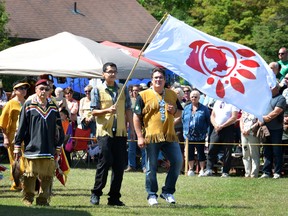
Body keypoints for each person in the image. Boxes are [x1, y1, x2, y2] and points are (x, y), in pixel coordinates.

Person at [133, 67, 183, 206]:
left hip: (169, 135)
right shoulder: (143, 95)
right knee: (151, 166)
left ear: (165, 80)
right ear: (151, 80)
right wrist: (139, 136)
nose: (158, 80)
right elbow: (136, 117)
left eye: (161, 77)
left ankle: (168, 191)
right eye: (156, 78)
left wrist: (174, 111)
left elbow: (179, 113)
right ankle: (151, 194)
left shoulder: (172, 94)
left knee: (178, 161)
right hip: (151, 136)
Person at [14, 79, 64, 206]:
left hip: (48, 147)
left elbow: (59, 127)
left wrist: (58, 145)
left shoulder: (53, 107)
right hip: (32, 146)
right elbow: (22, 126)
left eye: (46, 89)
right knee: (30, 175)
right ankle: (28, 198)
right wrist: (17, 145)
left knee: (47, 176)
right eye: (41, 89)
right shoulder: (29, 105)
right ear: (36, 90)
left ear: (49, 92)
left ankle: (43, 199)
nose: (43, 91)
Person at [90, 62, 134, 206]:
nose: (112, 74)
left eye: (114, 71)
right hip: (105, 131)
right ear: (103, 74)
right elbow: (93, 111)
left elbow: (128, 110)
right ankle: (96, 193)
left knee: (119, 165)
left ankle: (114, 197)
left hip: (120, 131)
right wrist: (107, 111)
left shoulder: (123, 88)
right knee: (105, 161)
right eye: (109, 72)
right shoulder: (97, 90)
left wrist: (131, 129)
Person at [0, 80, 30, 190]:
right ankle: (17, 183)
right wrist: (6, 138)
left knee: (26, 160)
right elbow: (3, 122)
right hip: (13, 136)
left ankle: (26, 183)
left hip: (27, 136)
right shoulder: (10, 104)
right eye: (21, 88)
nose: (24, 90)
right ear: (15, 90)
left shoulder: (28, 103)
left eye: (25, 88)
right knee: (16, 161)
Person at [202, 100, 239, 177]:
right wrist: (216, 125)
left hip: (228, 129)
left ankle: (225, 172)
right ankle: (209, 169)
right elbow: (212, 115)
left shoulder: (233, 103)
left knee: (227, 151)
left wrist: (223, 126)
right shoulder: (217, 102)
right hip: (216, 128)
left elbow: (234, 117)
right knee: (212, 148)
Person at [259, 84, 286, 179]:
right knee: (267, 151)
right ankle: (266, 172)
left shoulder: (281, 98)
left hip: (276, 129)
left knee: (277, 151)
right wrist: (260, 118)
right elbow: (260, 110)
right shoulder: (265, 98)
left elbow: (276, 112)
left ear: (276, 88)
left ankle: (277, 172)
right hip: (265, 129)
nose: (269, 88)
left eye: (271, 86)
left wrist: (265, 118)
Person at [182, 89, 210, 177]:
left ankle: (202, 170)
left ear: (199, 98)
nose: (194, 98)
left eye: (196, 97)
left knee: (201, 152)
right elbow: (183, 119)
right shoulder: (186, 108)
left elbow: (207, 121)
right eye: (192, 97)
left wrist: (205, 132)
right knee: (190, 152)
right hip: (189, 135)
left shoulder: (204, 109)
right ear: (190, 98)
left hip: (200, 135)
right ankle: (191, 169)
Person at [125, 84, 146, 172]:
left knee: (144, 148)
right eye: (134, 90)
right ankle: (131, 165)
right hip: (131, 128)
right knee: (131, 147)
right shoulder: (129, 101)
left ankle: (144, 166)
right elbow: (126, 114)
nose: (135, 92)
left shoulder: (143, 100)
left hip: (143, 127)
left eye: (137, 90)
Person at [239, 111, 260, 178]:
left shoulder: (257, 109)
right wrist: (242, 129)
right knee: (245, 154)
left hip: (253, 134)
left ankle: (254, 174)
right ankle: (247, 173)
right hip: (243, 134)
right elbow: (241, 120)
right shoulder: (244, 109)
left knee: (254, 154)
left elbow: (259, 122)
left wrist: (249, 129)